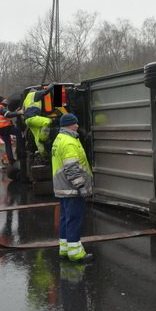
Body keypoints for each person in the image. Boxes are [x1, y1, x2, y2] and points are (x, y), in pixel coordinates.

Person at [51, 113, 93, 263]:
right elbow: (71, 168)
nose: (77, 126)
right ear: (69, 125)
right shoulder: (69, 142)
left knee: (65, 219)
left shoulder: (59, 139)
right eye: (75, 124)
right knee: (74, 219)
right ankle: (76, 253)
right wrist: (81, 186)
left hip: (62, 188)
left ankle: (65, 249)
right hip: (71, 189)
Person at [23, 83, 58, 162]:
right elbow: (46, 91)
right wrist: (53, 85)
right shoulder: (34, 95)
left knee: (37, 139)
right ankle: (43, 138)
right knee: (47, 121)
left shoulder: (26, 100)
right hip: (33, 118)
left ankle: (44, 156)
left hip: (28, 121)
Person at [0, 96, 23, 165]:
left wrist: (16, 112)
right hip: (5, 128)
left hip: (0, 129)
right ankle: (20, 151)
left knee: (8, 144)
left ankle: (11, 160)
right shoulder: (1, 108)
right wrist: (19, 112)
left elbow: (8, 114)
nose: (7, 101)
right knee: (18, 131)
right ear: (2, 101)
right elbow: (8, 115)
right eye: (5, 100)